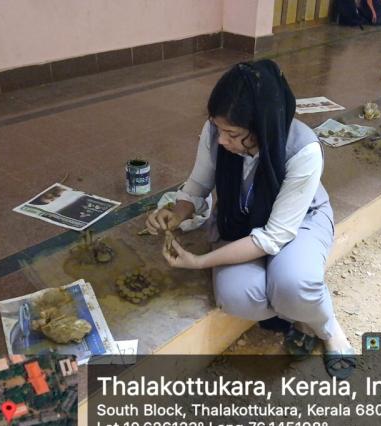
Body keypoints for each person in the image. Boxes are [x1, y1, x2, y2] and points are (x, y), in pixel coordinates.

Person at [145, 60, 355, 379]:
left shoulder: (303, 149)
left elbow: (274, 236)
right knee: (238, 297)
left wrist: (200, 262)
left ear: (262, 127)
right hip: (238, 219)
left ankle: (325, 326)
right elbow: (198, 184)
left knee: (294, 283)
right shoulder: (217, 131)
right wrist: (177, 213)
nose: (221, 140)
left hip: (299, 222)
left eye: (233, 134)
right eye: (218, 129)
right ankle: (296, 309)